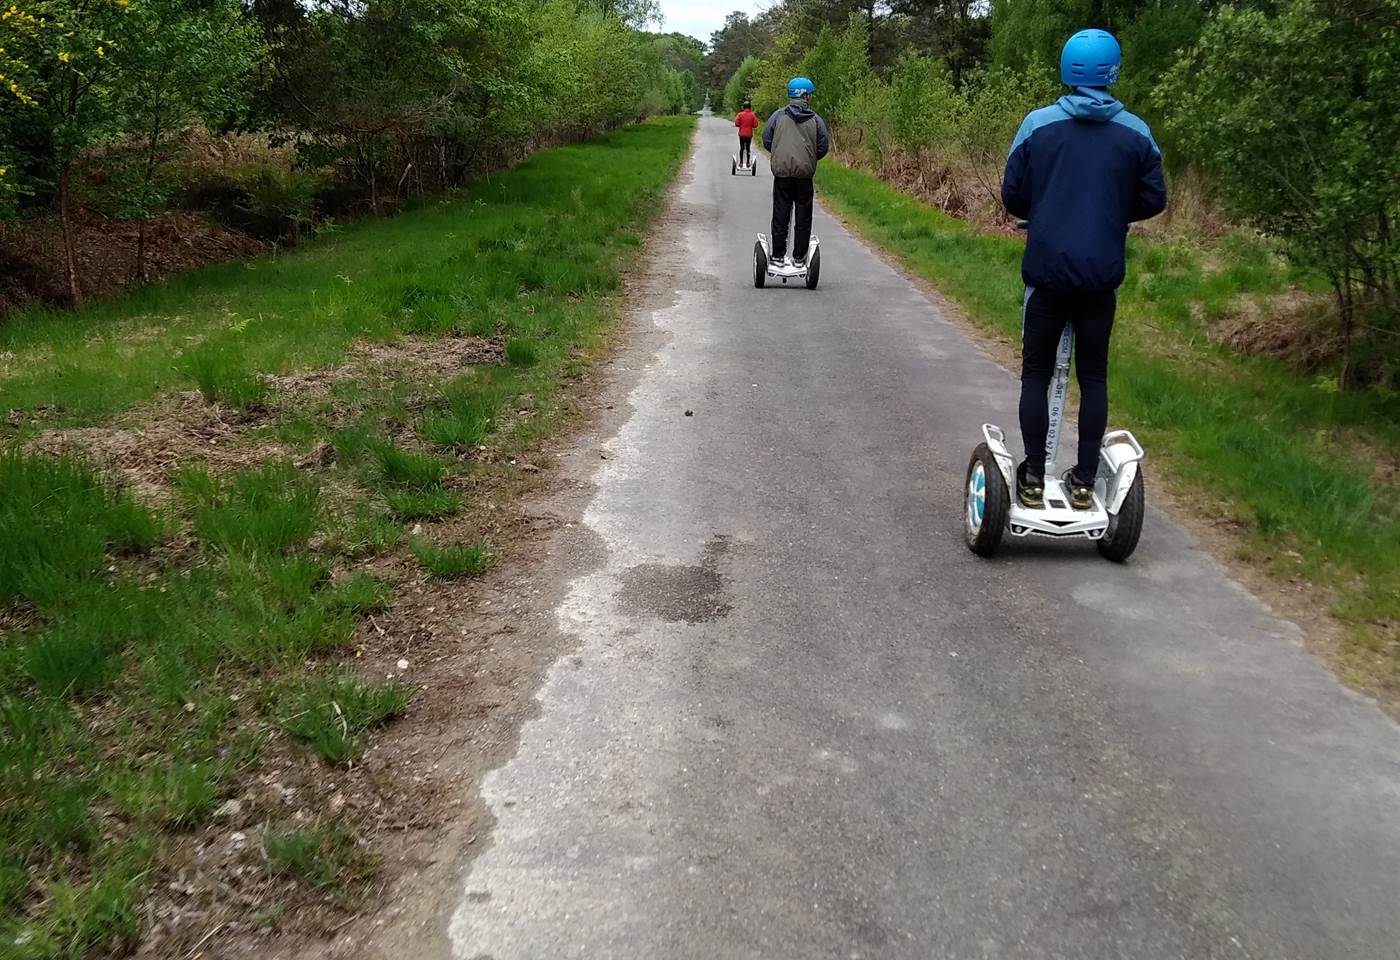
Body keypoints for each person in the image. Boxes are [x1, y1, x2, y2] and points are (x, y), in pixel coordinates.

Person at [1001, 29, 1166, 511]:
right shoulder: (1136, 132)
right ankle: (1084, 480)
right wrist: (1113, 214)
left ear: (1066, 68)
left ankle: (1032, 477)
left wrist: (1046, 209)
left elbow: (1013, 194)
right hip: (1099, 278)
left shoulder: (1037, 125)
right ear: (1113, 72)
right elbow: (1155, 198)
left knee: (1036, 372)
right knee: (1093, 377)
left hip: (1047, 274)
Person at [762, 77, 830, 267]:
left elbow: (767, 141)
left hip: (782, 174)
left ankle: (777, 255)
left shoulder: (777, 116)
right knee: (803, 217)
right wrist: (808, 158)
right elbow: (823, 147)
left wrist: (781, 153)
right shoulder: (816, 120)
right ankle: (799, 257)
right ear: (805, 95)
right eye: (810, 94)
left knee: (780, 214)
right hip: (804, 176)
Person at [734, 99, 760, 167]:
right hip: (749, 134)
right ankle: (748, 162)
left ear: (744, 107)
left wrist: (741, 125)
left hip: (742, 134)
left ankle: (741, 162)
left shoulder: (740, 114)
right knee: (748, 148)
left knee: (742, 148)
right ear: (750, 107)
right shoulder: (753, 115)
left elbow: (736, 123)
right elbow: (755, 125)